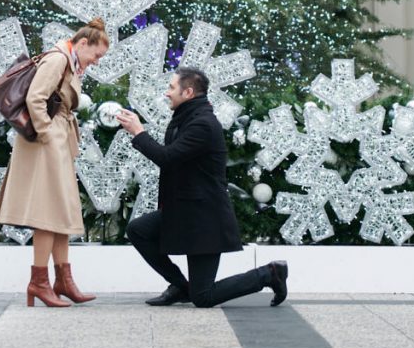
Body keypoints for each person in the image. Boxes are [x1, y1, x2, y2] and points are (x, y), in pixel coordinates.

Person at [117, 67, 289, 308]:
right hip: (185, 211)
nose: (167, 93)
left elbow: (167, 158)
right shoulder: (187, 118)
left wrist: (138, 132)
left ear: (187, 92)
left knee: (203, 297)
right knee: (138, 230)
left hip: (204, 218)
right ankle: (180, 285)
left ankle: (269, 274)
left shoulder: (203, 125)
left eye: (171, 87)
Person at [0, 17, 109, 307]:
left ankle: (61, 280)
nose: (96, 61)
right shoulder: (58, 59)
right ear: (83, 43)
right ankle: (40, 281)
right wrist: (47, 135)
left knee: (59, 212)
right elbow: (35, 98)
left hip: (57, 139)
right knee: (47, 212)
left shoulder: (68, 61)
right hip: (48, 141)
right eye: (96, 54)